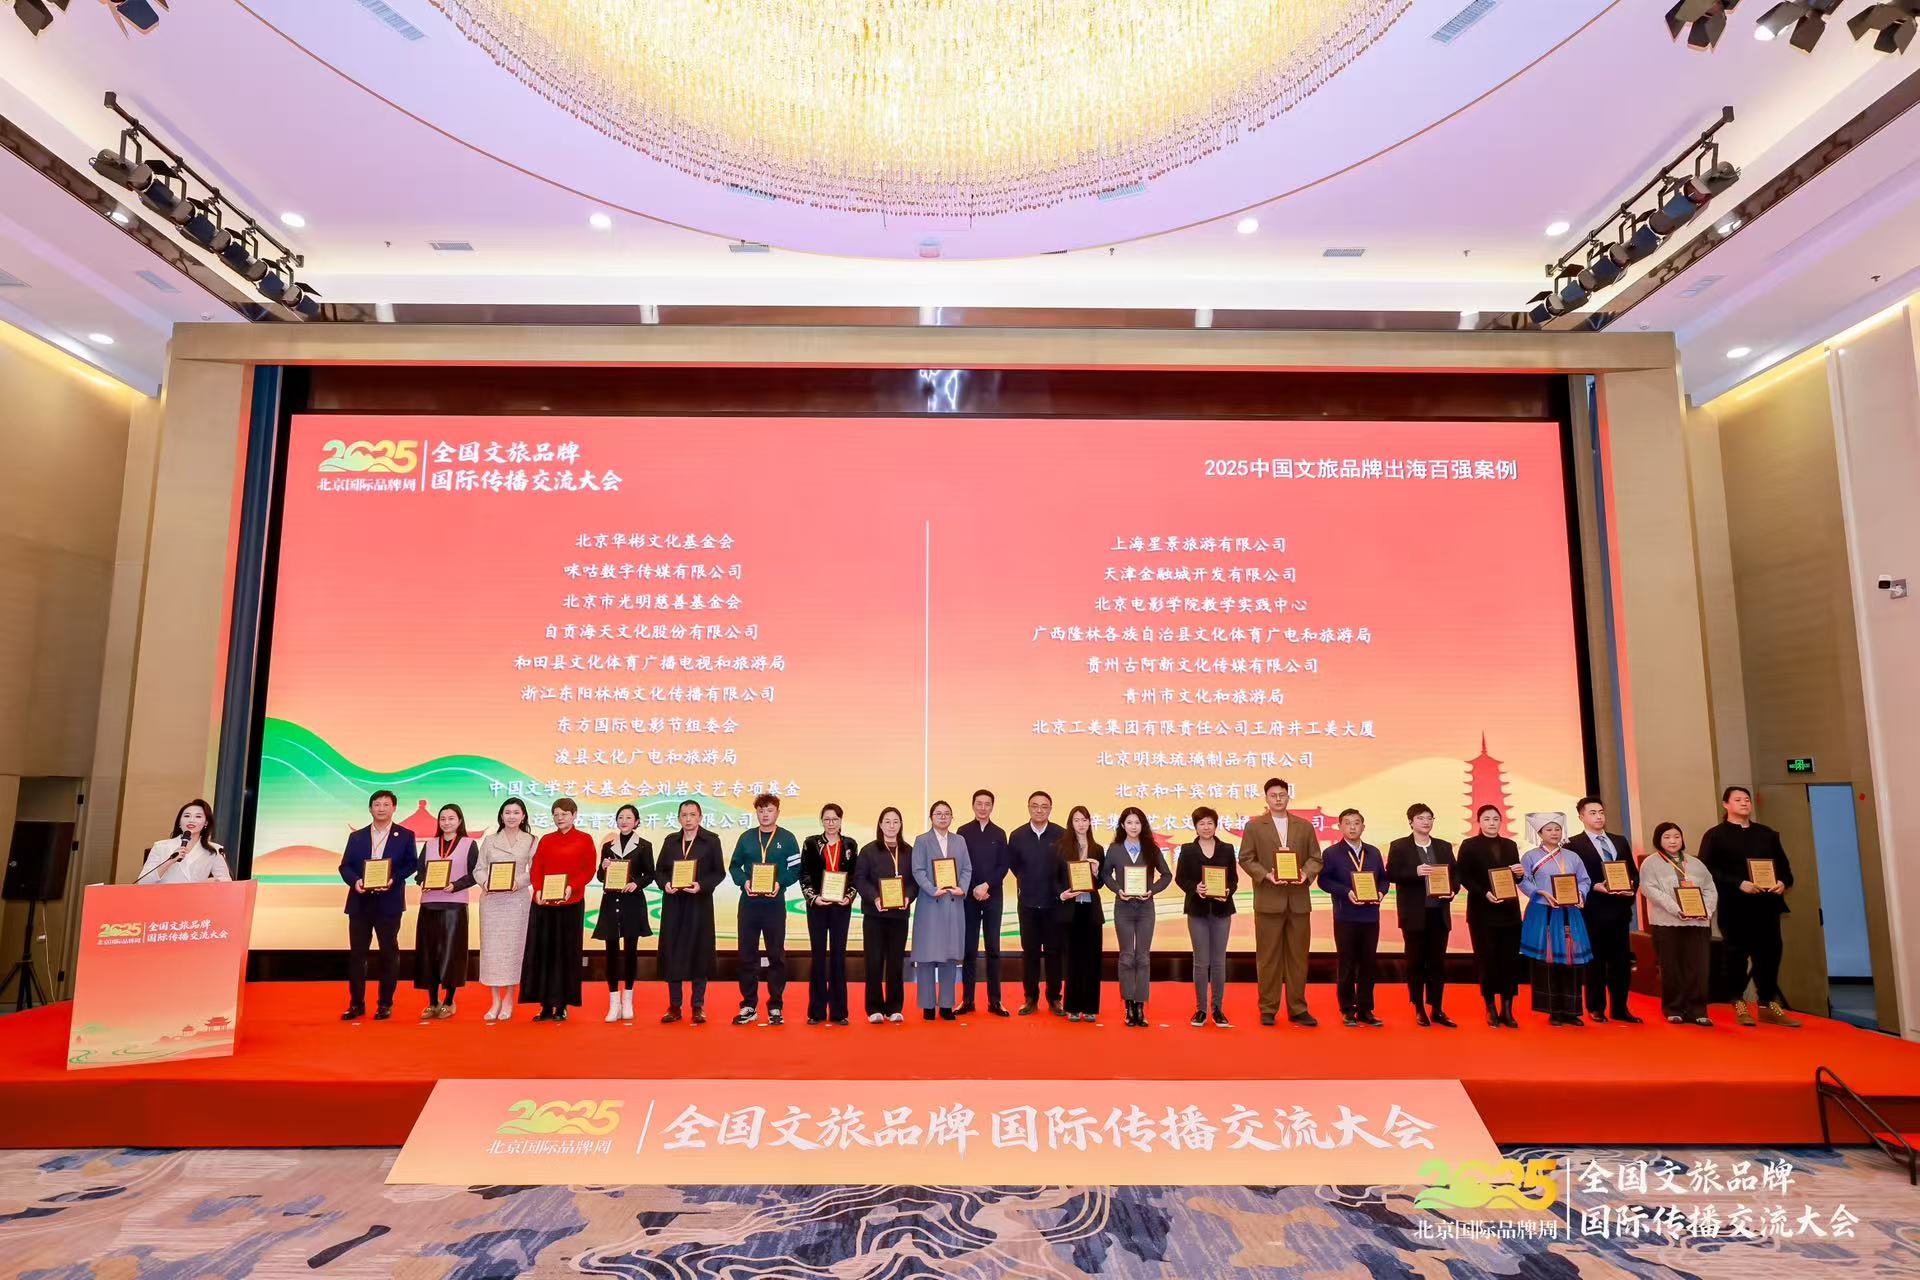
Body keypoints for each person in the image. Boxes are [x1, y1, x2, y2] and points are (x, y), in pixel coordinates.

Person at [1699, 785, 1800, 1028]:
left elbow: (1785, 869)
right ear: (1726, 804)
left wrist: (1782, 882)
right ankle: (1738, 1002)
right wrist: (1738, 883)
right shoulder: (1715, 835)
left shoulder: (1767, 834)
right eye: (1738, 799)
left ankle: (1768, 1004)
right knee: (1736, 955)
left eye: (1747, 799)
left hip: (1767, 906)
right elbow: (1706, 870)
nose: (1744, 803)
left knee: (1770, 954)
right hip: (1735, 907)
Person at [1237, 777, 1323, 1027]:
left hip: (1298, 901)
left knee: (1298, 957)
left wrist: (1305, 873)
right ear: (1266, 798)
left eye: (1282, 794)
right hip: (1268, 900)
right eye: (1273, 795)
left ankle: (1298, 1008)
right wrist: (1266, 875)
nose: (1278, 799)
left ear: (1288, 796)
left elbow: (1316, 858)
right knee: (1268, 958)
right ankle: (1268, 1008)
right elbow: (1246, 858)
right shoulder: (1254, 826)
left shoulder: (1304, 826)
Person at [337, 789, 419, 1021]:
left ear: (394, 808)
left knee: (388, 954)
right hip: (360, 902)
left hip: (389, 903)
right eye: (377, 804)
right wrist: (355, 881)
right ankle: (356, 1004)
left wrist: (393, 879)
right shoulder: (357, 836)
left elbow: (411, 864)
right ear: (370, 808)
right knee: (357, 955)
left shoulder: (405, 835)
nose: (381, 808)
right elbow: (345, 866)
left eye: (386, 804)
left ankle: (385, 1004)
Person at [1566, 796, 1641, 1024]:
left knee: (1621, 962)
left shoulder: (1619, 841)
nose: (1598, 817)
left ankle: (1620, 1008)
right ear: (1581, 817)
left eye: (1601, 812)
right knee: (1595, 962)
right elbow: (1571, 879)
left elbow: (1632, 872)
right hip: (1593, 912)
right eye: (1592, 813)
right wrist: (1593, 887)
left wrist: (1631, 887)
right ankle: (1596, 1007)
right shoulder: (1573, 844)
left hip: (1619, 911)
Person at [520, 797, 596, 1022]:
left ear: (574, 815)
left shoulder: (584, 839)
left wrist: (572, 887)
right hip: (544, 905)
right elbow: (537, 867)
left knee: (565, 955)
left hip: (570, 904)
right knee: (543, 954)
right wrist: (538, 889)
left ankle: (561, 1005)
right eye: (556, 814)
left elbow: (588, 870)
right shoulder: (546, 839)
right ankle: (545, 1005)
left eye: (564, 814)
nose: (560, 818)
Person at [728, 792, 801, 1026]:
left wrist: (780, 883)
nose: (765, 814)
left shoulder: (787, 838)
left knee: (776, 955)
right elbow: (734, 866)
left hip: (774, 904)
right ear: (756, 813)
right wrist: (744, 882)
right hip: (749, 903)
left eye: (769, 810)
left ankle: (775, 1005)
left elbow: (796, 869)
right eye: (761, 811)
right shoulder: (747, 837)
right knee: (746, 955)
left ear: (777, 812)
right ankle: (749, 1005)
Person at [1386, 803, 1458, 1027]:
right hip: (1414, 914)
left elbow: (1455, 874)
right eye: (1420, 818)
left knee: (1438, 963)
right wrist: (1414, 872)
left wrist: (1452, 890)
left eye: (1429, 818)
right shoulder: (1399, 846)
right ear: (1410, 822)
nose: (1425, 822)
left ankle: (1437, 1008)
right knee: (1415, 962)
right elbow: (1391, 873)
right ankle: (1418, 1007)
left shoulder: (1443, 846)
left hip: (1439, 913)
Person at [1639, 821, 1717, 1025]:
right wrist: (1677, 909)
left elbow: (1710, 889)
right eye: (1667, 837)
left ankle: (1697, 1010)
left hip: (1698, 923)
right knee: (1671, 967)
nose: (1672, 841)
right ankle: (1674, 1008)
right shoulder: (1650, 863)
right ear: (1658, 840)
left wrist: (1706, 910)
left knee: (1698, 968)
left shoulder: (1696, 863)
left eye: (1676, 836)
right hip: (1667, 923)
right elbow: (1649, 889)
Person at [1102, 805, 1173, 1027]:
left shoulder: (1151, 849)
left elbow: (1167, 875)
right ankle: (1128, 1004)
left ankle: (1140, 1005)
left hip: (1145, 909)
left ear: (1143, 825)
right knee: (1126, 957)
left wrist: (1152, 890)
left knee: (1142, 957)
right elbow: (1105, 874)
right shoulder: (1114, 849)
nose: (1134, 826)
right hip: (1123, 908)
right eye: (1129, 822)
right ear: (1122, 825)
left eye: (1137, 822)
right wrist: (1117, 889)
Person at [655, 798, 725, 1024]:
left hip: (699, 904)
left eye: (692, 815)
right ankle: (674, 1006)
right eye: (684, 815)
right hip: (674, 904)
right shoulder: (670, 841)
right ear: (678, 818)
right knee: (673, 952)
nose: (688, 819)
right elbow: (660, 871)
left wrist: (701, 886)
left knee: (699, 953)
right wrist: (665, 884)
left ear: (700, 817)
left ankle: (697, 1006)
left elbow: (719, 872)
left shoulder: (711, 841)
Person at [1518, 815, 1591, 1027]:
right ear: (1540, 833)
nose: (1554, 833)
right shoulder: (1530, 856)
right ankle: (1554, 1010)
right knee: (1547, 962)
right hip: (1544, 912)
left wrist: (1580, 894)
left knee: (1571, 960)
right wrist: (1539, 892)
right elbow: (1523, 880)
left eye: (1557, 829)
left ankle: (1572, 1010)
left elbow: (1584, 879)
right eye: (1548, 829)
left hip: (1569, 913)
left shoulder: (1573, 856)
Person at [1456, 804, 1524, 1028]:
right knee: (1487, 960)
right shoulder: (1469, 845)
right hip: (1482, 912)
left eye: (1495, 818)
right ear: (1479, 822)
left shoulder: (1510, 845)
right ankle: (1490, 1007)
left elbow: (1514, 878)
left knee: (1509, 961)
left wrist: (1520, 874)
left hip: (1509, 912)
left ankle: (1507, 1008)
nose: (1492, 823)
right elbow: (1463, 876)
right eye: (1487, 819)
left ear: (1501, 821)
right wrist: (1484, 893)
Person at [1318, 808, 1387, 1028]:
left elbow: (1384, 879)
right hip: (1345, 915)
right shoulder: (1331, 853)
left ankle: (1366, 1009)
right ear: (1340, 827)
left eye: (1356, 823)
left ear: (1363, 827)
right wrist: (1345, 891)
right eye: (1347, 823)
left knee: (1368, 963)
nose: (1352, 827)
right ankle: (1347, 1009)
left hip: (1370, 916)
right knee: (1346, 963)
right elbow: (1323, 881)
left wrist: (1381, 892)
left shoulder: (1373, 852)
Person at [1174, 805, 1238, 1027]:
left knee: (1219, 961)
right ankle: (1201, 1009)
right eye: (1202, 823)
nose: (1206, 827)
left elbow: (1233, 879)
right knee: (1201, 962)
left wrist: (1228, 890)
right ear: (1195, 826)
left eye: (1210, 823)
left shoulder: (1227, 849)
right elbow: (1180, 878)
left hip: (1222, 910)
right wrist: (1195, 888)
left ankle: (1218, 1009)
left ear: (1215, 825)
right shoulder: (1187, 850)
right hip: (1197, 910)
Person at [413, 803, 477, 1020]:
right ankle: (432, 1002)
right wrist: (423, 881)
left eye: (451, 818)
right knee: (428, 954)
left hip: (455, 905)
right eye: (443, 819)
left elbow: (475, 874)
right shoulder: (430, 844)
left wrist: (455, 885)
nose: (447, 822)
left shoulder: (469, 844)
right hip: (429, 904)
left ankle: (449, 1001)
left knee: (452, 955)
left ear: (460, 821)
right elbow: (420, 872)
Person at [911, 800, 973, 1020]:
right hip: (930, 904)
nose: (943, 817)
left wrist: (961, 888)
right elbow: (918, 870)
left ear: (952, 817)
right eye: (938, 813)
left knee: (949, 956)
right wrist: (931, 889)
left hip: (953, 904)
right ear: (931, 817)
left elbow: (967, 868)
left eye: (947, 813)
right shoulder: (922, 841)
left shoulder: (960, 840)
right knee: (926, 957)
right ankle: (928, 1006)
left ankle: (946, 1005)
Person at [477, 797, 537, 1022]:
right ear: (501, 816)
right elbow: (479, 868)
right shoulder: (490, 840)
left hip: (516, 902)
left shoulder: (531, 840)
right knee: (492, 951)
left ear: (523, 816)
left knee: (513, 951)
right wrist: (486, 882)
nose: (511, 816)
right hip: (492, 901)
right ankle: (495, 1000)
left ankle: (509, 999)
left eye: (516, 812)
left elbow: (534, 871)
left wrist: (517, 882)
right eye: (507, 812)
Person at [594, 803, 654, 1023]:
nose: (624, 821)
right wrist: (603, 867)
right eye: (621, 817)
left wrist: (636, 884)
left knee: (630, 951)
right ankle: (614, 1003)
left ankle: (628, 1000)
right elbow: (601, 878)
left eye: (629, 817)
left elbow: (650, 874)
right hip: (611, 902)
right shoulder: (608, 846)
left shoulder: (644, 846)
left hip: (632, 903)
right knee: (610, 953)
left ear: (636, 822)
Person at [1008, 790, 1067, 1015]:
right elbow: (1014, 866)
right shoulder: (1017, 835)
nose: (1039, 810)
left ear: (1050, 809)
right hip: (1028, 903)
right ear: (1029, 808)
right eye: (1035, 806)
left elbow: (1065, 868)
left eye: (1044, 806)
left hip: (1054, 904)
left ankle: (1054, 998)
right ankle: (1030, 998)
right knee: (1030, 953)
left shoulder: (1061, 834)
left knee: (1054, 953)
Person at [856, 806, 916, 1023]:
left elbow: (915, 881)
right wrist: (875, 898)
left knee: (895, 962)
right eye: (887, 821)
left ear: (900, 825)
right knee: (873, 962)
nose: (891, 826)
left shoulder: (909, 851)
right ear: (880, 825)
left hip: (899, 916)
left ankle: (894, 1007)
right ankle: (874, 1008)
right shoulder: (868, 851)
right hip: (875, 915)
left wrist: (908, 897)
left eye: (895, 821)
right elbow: (860, 879)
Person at [800, 802, 856, 1026]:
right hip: (818, 906)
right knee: (818, 956)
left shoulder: (850, 844)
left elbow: (854, 876)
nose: (831, 823)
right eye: (827, 819)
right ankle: (816, 1011)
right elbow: (804, 874)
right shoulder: (811, 843)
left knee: (838, 956)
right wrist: (813, 897)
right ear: (821, 821)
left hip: (841, 907)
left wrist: (849, 896)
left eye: (835, 819)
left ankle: (839, 1012)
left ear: (841, 821)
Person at [956, 789, 1010, 1017]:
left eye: (987, 804)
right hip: (969, 897)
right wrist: (974, 888)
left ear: (992, 807)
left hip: (993, 896)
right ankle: (967, 1000)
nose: (983, 808)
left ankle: (995, 1001)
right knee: (968, 949)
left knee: (993, 948)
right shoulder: (962, 832)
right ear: (973, 805)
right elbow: (960, 864)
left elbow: (1004, 865)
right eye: (979, 803)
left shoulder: (999, 833)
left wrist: (986, 886)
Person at [1053, 805, 1106, 1022]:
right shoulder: (1060, 848)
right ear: (1071, 823)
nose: (1081, 824)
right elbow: (1054, 878)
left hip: (1091, 910)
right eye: (1077, 820)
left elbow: (1100, 883)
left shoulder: (1098, 849)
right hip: (1070, 910)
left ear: (1090, 822)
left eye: (1084, 820)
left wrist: (1096, 872)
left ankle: (1090, 1007)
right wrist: (1062, 894)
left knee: (1092, 960)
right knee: (1073, 959)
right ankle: (1073, 1006)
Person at [137, 799, 231, 884]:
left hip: (198, 896)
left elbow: (226, 881)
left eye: (198, 816)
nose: (191, 820)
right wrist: (170, 861)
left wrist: (212, 881)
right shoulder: (160, 846)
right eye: (187, 816)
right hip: (165, 896)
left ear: (206, 823)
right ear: (179, 822)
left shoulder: (215, 850)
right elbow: (143, 882)